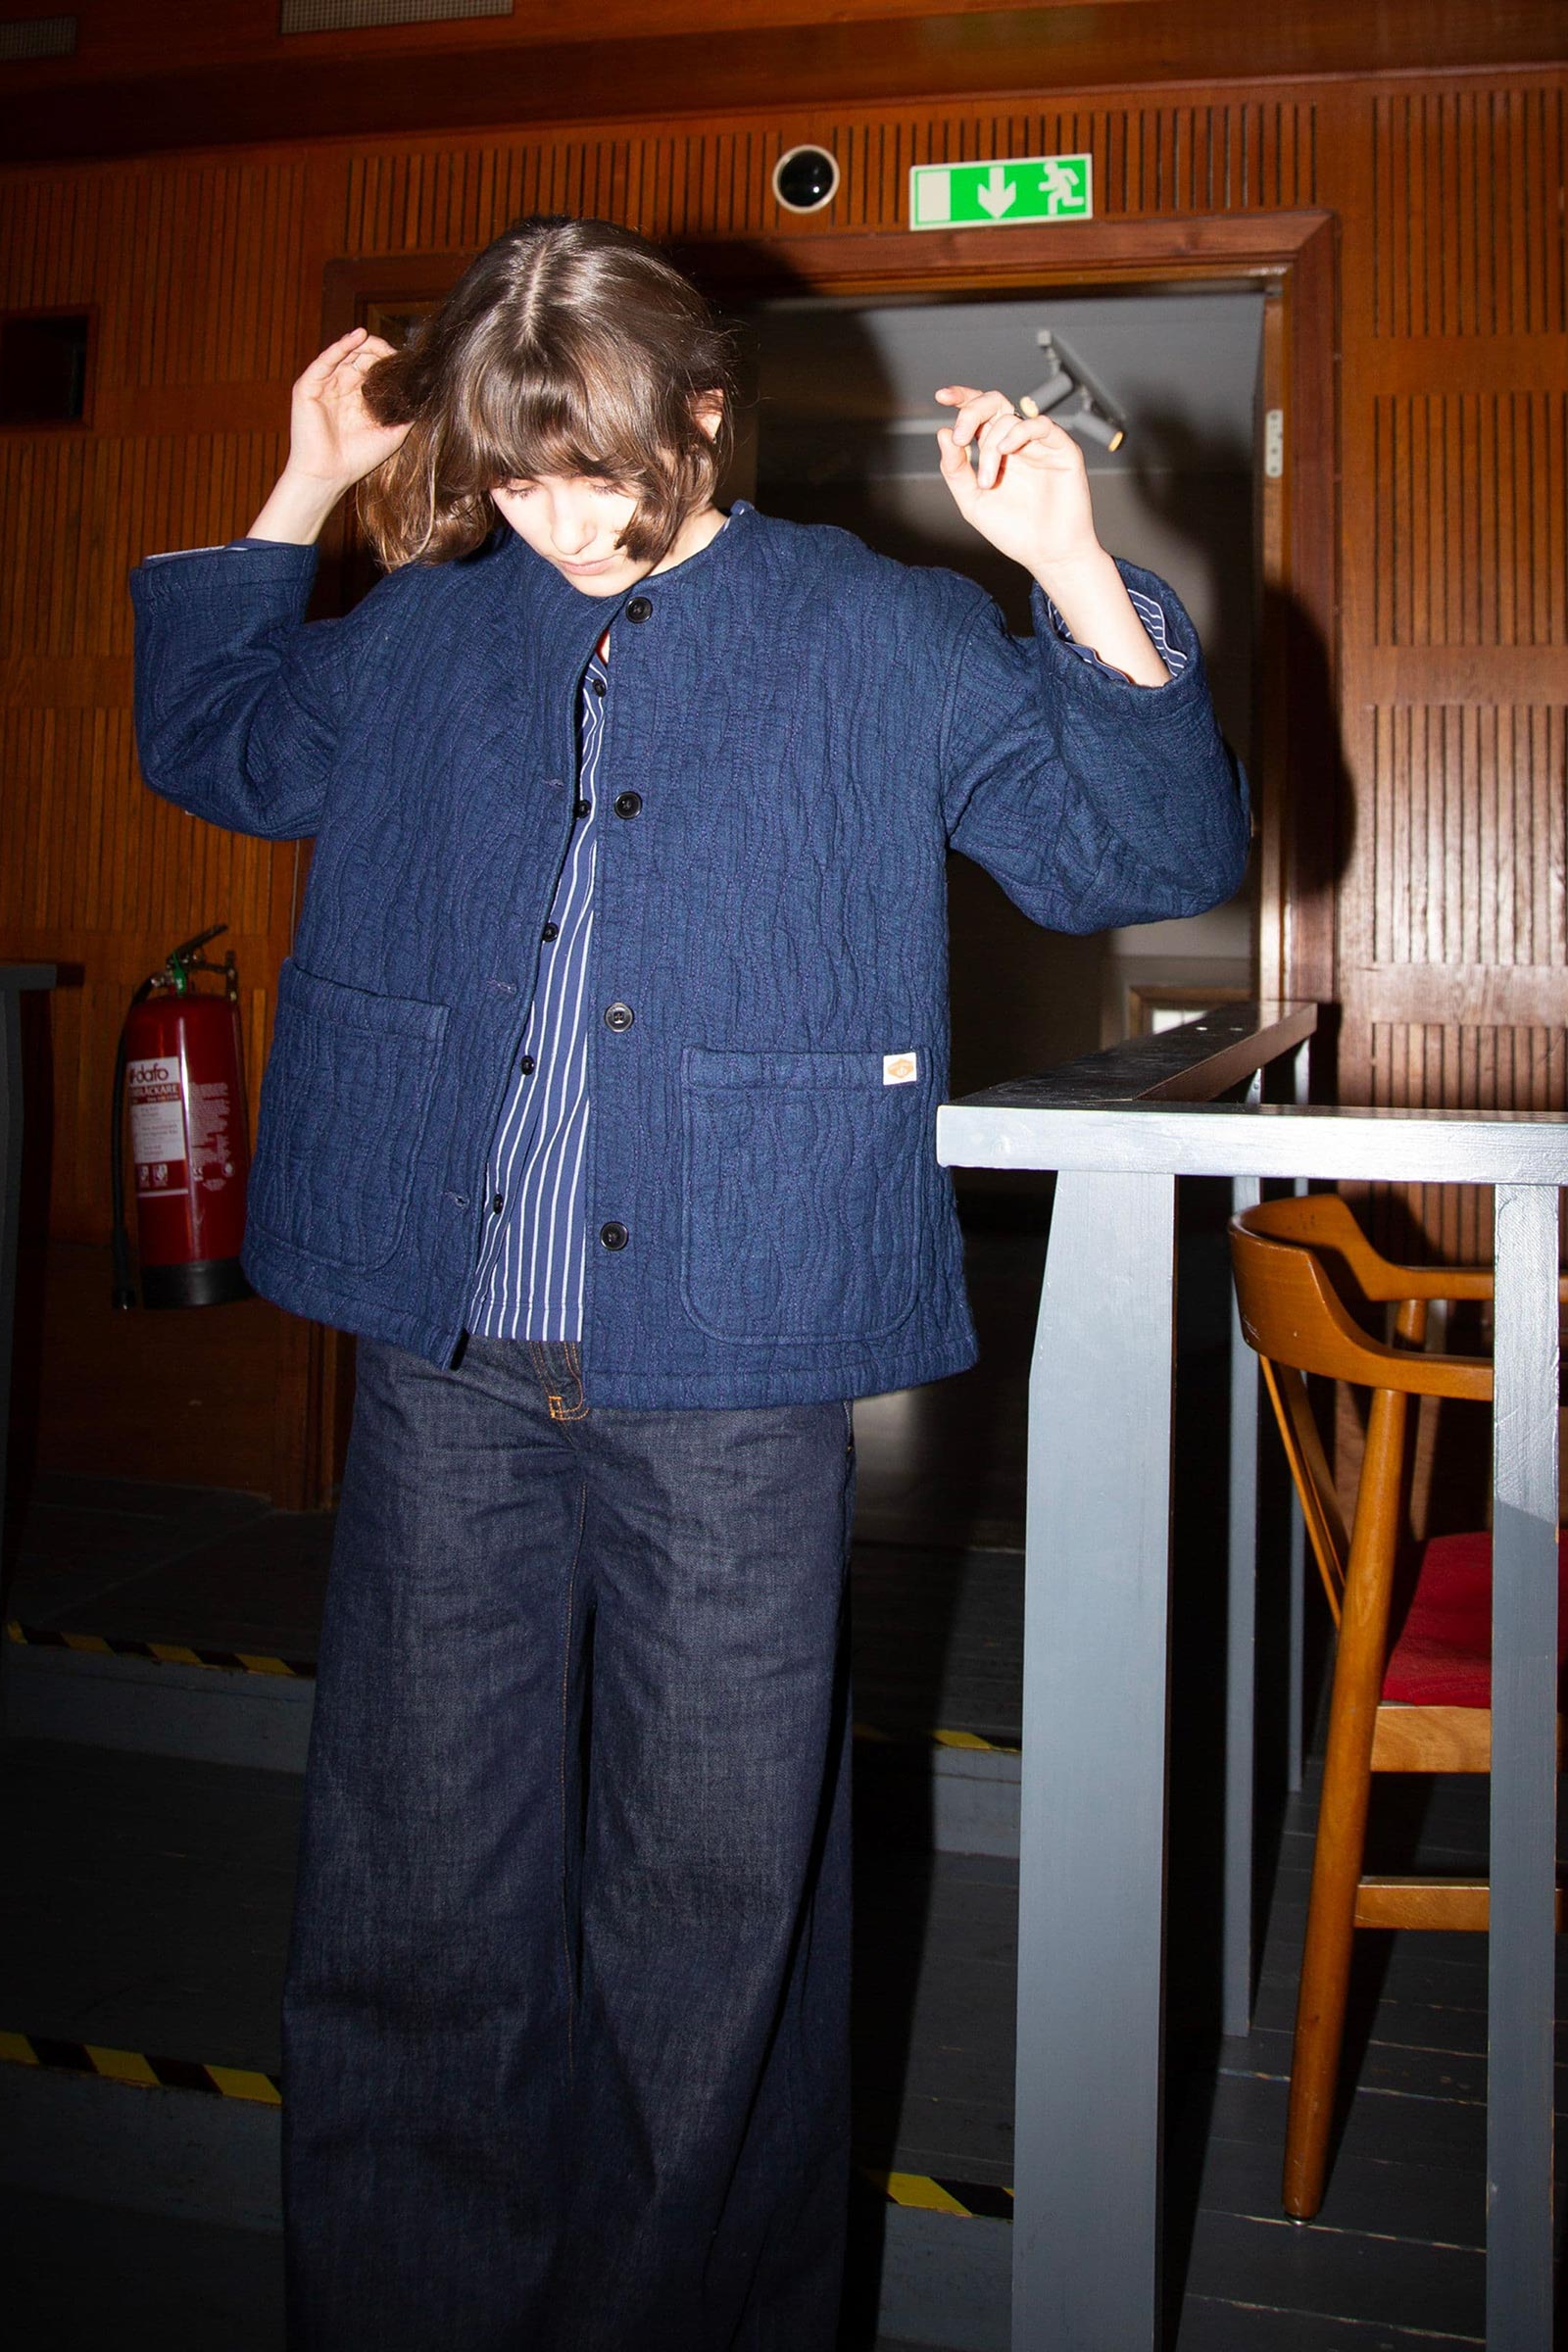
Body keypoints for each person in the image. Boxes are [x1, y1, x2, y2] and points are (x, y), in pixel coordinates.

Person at [130, 214, 1248, 2351]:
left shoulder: (881, 629)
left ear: (709, 417)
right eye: (515, 479)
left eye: (603, 473)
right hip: (449, 1341)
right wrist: (296, 489)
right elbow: (222, 750)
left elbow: (1143, 855)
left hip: (736, 1338)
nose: (560, 523)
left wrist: (1075, 570)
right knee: (411, 1890)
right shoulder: (430, 622)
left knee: (717, 1914)